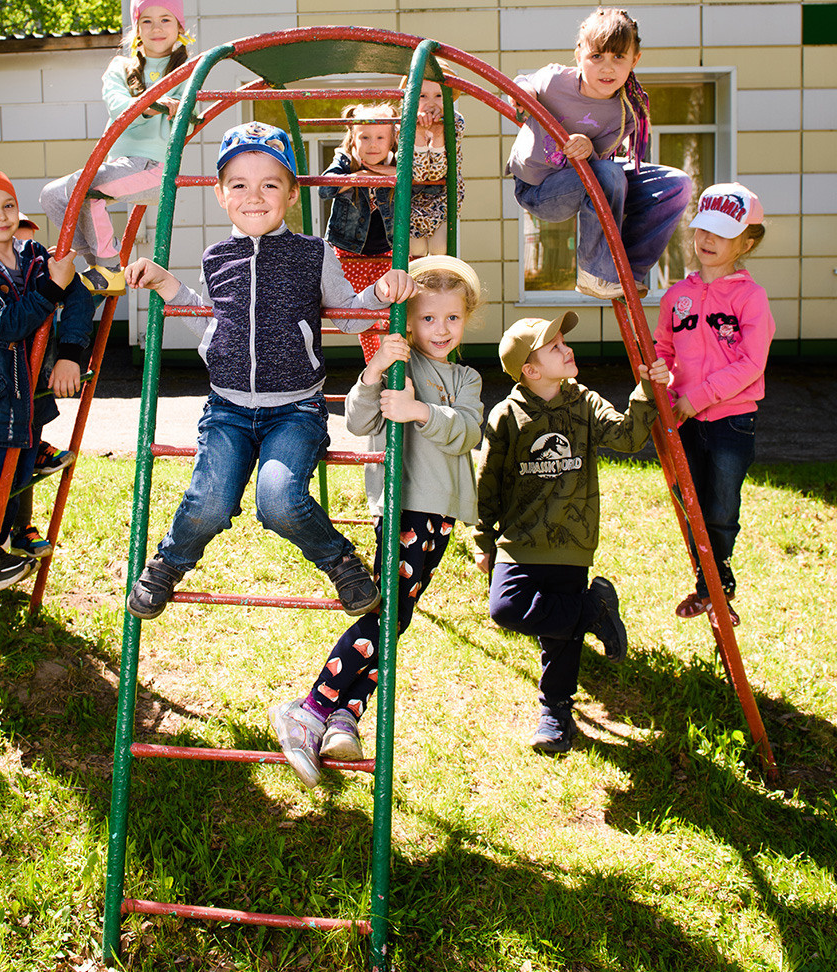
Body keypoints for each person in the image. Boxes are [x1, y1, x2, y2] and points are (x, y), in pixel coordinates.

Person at [122, 121, 416, 623]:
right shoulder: (215, 257)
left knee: (278, 500)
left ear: (292, 194)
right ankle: (169, 563)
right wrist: (168, 285)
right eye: (238, 184)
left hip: (295, 410)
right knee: (209, 501)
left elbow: (348, 313)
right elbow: (210, 324)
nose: (253, 196)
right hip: (227, 408)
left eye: (269, 184)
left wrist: (383, 291)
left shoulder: (313, 253)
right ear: (220, 194)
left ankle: (339, 560)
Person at [270, 255, 484, 788]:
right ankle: (314, 707)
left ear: (466, 319)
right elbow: (359, 419)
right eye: (429, 319)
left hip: (442, 514)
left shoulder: (466, 376)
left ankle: (346, 712)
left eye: (452, 318)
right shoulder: (398, 365)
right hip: (404, 503)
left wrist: (420, 413)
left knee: (396, 615)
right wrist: (372, 373)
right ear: (409, 321)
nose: (441, 329)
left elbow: (468, 433)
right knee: (389, 612)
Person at [474, 313, 669, 755]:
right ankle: (593, 611)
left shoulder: (583, 403)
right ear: (531, 369)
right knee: (506, 608)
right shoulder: (507, 415)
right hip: (519, 541)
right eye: (555, 346)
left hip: (570, 539)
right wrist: (483, 540)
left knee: (559, 637)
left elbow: (626, 437)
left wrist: (647, 389)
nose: (567, 349)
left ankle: (555, 712)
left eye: (565, 342)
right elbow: (488, 482)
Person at [0, 166, 94, 601]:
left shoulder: (32, 254)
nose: (1, 215)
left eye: (8, 204)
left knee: (19, 477)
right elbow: (8, 325)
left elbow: (79, 295)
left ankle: (10, 543)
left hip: (31, 389)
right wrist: (52, 286)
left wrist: (70, 354)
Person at [506, 7, 692, 299]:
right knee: (608, 172)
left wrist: (590, 148)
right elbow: (523, 83)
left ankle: (625, 271)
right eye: (597, 56)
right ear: (579, 54)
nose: (607, 68)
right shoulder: (555, 81)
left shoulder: (627, 111)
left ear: (635, 60)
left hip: (587, 178)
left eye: (618, 57)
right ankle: (595, 272)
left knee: (677, 185)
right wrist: (524, 94)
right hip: (539, 188)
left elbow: (602, 170)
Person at [656, 184, 774, 627]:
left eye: (722, 234)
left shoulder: (750, 299)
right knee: (691, 503)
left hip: (731, 422)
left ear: (746, 242)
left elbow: (751, 363)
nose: (707, 239)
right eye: (702, 228)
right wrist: (665, 390)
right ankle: (708, 584)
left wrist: (694, 398)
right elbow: (662, 348)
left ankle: (718, 582)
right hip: (682, 419)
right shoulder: (676, 296)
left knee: (721, 507)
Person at [40, 0, 192, 297]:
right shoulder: (121, 67)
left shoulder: (186, 69)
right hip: (122, 165)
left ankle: (108, 269)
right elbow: (119, 106)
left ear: (179, 25)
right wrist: (157, 105)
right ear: (136, 27)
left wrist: (173, 109)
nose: (156, 28)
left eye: (165, 19)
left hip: (156, 170)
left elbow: (191, 116)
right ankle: (98, 266)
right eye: (146, 20)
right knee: (53, 194)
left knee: (86, 188)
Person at [8, 212, 76, 561]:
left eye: (24, 243)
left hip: (33, 387)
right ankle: (0, 538)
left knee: (24, 456)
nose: (19, 251)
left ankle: (21, 529)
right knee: (2, 470)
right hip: (3, 391)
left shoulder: (38, 268)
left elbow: (77, 298)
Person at [320, 102, 400, 360]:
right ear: (353, 139)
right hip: (349, 251)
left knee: (391, 310)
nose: (372, 144)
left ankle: (395, 364)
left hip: (386, 251)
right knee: (362, 313)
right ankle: (374, 363)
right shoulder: (344, 159)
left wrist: (388, 172)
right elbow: (325, 189)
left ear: (391, 141)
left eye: (380, 137)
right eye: (364, 137)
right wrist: (362, 175)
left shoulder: (399, 161)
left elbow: (422, 187)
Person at [399, 70, 466, 257]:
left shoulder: (455, 121)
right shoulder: (404, 124)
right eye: (422, 96)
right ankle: (418, 285)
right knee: (416, 250)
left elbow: (437, 173)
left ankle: (439, 283)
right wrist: (419, 134)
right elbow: (419, 175)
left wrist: (438, 134)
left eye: (438, 95)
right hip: (414, 199)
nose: (430, 102)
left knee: (440, 249)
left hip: (444, 196)